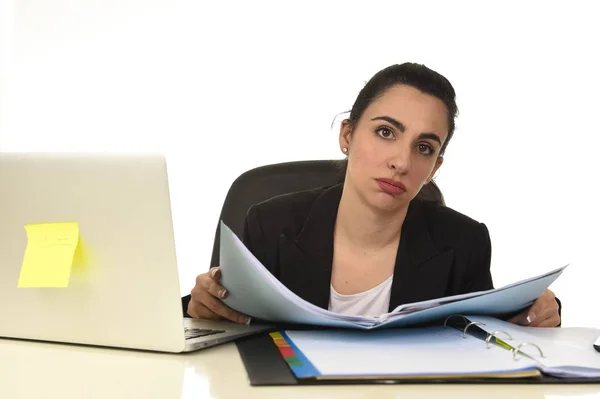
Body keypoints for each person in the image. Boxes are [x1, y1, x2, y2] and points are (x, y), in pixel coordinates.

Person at [183, 63, 561, 328]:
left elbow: (487, 331)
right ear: (347, 135)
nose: (402, 161)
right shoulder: (269, 225)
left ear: (435, 167)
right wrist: (198, 305)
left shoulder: (463, 242)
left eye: (424, 148)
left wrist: (540, 312)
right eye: (385, 132)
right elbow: (223, 318)